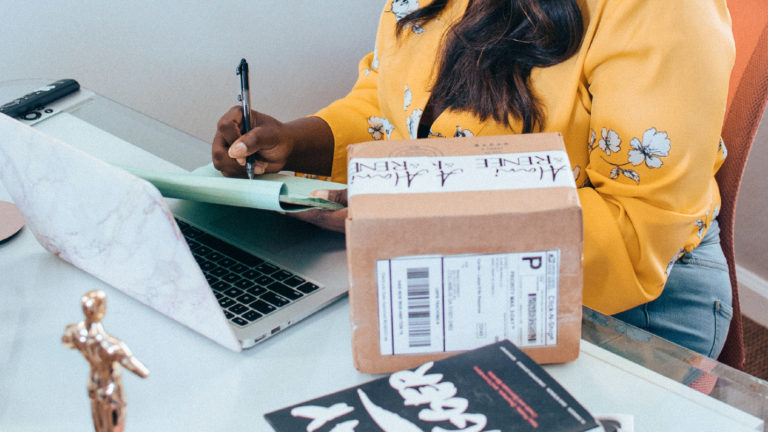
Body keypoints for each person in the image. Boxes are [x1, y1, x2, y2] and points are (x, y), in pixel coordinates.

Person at [212, 0, 735, 358]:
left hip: (630, 301)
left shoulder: (665, 11)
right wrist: (296, 141)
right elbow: (398, 104)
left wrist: (413, 219)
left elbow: (636, 228)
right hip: (446, 260)